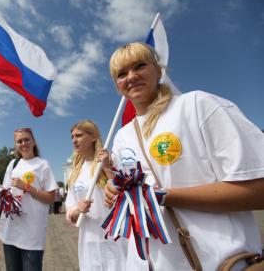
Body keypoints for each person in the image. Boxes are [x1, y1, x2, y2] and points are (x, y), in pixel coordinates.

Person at [104, 42, 264, 270]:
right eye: (121, 73)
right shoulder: (122, 136)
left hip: (217, 262)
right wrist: (115, 192)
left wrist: (164, 196)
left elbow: (259, 189)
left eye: (140, 65)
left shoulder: (197, 105)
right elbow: (132, 195)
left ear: (159, 71)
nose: (131, 76)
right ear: (117, 85)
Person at [65, 120, 127, 270]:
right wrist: (77, 210)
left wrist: (107, 168)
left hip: (115, 238)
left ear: (93, 137)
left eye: (79, 135)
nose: (74, 140)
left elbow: (123, 194)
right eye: (72, 136)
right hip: (89, 239)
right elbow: (70, 211)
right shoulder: (75, 172)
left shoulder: (111, 161)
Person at [0, 127, 57, 271]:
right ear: (16, 145)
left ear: (34, 142)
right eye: (19, 141)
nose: (23, 144)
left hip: (32, 233)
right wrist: (3, 197)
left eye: (26, 140)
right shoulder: (13, 164)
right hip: (11, 230)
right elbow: (5, 192)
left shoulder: (43, 164)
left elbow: (51, 198)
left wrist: (27, 187)